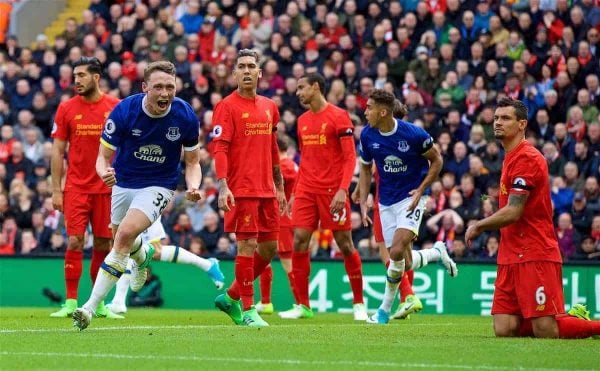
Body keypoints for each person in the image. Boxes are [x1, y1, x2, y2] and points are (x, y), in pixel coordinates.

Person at [72, 61, 203, 331]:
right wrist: (103, 173)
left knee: (121, 238)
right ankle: (142, 257)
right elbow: (102, 158)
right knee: (125, 241)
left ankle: (89, 308)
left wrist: (193, 185)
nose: (165, 93)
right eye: (158, 87)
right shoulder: (124, 111)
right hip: (123, 183)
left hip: (159, 185)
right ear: (145, 88)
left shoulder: (185, 115)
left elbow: (192, 162)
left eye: (170, 87)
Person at [466, 97, 600, 339]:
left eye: (505, 118)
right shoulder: (510, 156)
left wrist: (479, 226)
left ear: (522, 124)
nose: (498, 122)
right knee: (505, 329)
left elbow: (515, 210)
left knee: (545, 330)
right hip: (510, 253)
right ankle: (567, 319)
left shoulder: (528, 157)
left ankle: (587, 326)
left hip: (534, 251)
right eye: (496, 118)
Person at [357, 89, 458, 324]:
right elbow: (364, 168)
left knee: (394, 252)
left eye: (369, 107)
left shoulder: (412, 134)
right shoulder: (367, 136)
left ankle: (382, 311)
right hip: (386, 201)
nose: (365, 111)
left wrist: (422, 189)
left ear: (383, 112)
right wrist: (363, 202)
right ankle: (436, 252)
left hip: (412, 197)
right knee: (406, 261)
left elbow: (437, 160)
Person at [279, 72, 367, 321]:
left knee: (345, 243)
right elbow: (305, 158)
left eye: (301, 88)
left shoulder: (339, 116)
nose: (297, 93)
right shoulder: (302, 120)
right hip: (307, 189)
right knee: (299, 240)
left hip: (332, 191)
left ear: (316, 87)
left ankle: (359, 303)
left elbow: (350, 157)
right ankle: (303, 305)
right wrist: (296, 192)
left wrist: (343, 189)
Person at [212, 49, 286, 328]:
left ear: (259, 73)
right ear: (234, 73)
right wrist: (222, 185)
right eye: (241, 66)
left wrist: (279, 185)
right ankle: (248, 309)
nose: (246, 71)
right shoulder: (226, 106)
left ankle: (230, 296)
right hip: (241, 189)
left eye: (251, 66)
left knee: (268, 248)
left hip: (267, 188)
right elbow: (220, 148)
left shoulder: (269, 106)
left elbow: (273, 147)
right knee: (246, 245)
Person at [50, 57, 122, 319]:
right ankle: (70, 302)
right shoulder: (67, 108)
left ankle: (98, 303)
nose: (76, 80)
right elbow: (58, 151)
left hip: (107, 188)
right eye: (74, 75)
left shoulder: (115, 106)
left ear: (96, 77)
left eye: (81, 75)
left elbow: (126, 146)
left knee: (104, 243)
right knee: (75, 240)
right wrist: (56, 190)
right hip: (77, 187)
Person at [352, 99, 423, 321]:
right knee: (403, 255)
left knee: (388, 252)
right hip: (401, 200)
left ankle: (407, 296)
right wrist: (359, 190)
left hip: (390, 200)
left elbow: (372, 168)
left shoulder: (386, 138)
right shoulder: (396, 137)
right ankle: (409, 293)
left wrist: (363, 192)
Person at [106, 215, 225, 314]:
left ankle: (118, 302)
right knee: (132, 249)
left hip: (144, 199)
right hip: (129, 197)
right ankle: (118, 301)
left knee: (147, 250)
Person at [255, 137, 298, 314]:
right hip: (272, 218)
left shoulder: (286, 165)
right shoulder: (287, 164)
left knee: (288, 263)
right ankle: (265, 302)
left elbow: (275, 183)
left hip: (282, 220)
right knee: (263, 259)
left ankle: (302, 303)